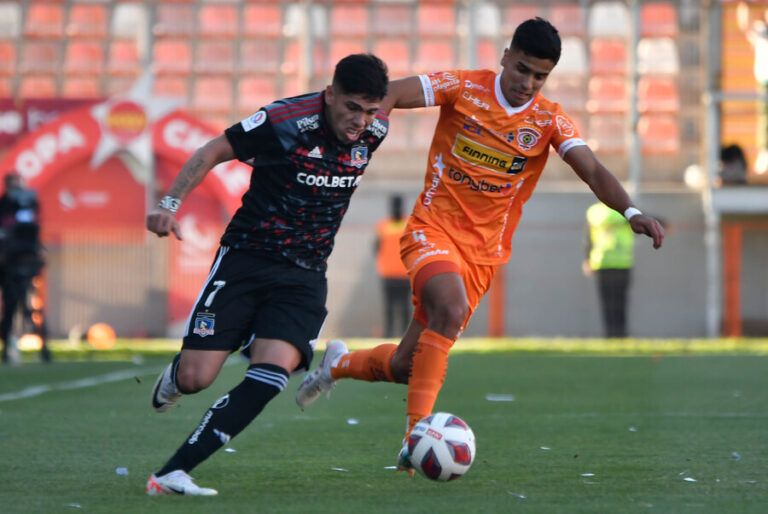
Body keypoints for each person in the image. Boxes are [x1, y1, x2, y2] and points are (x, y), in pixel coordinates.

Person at [295, 18, 665, 475]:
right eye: (522, 69)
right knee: (448, 310)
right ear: (506, 55)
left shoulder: (547, 119)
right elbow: (391, 92)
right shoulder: (464, 88)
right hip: (432, 229)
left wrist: (631, 212)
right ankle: (417, 437)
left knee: (407, 365)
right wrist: (368, 130)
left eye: (539, 76)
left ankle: (339, 363)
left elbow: (591, 169)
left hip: (483, 255)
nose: (527, 83)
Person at [144, 54, 390, 496]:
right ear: (330, 94)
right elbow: (214, 149)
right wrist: (169, 204)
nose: (361, 122)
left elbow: (406, 96)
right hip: (246, 260)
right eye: (352, 107)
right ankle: (178, 374)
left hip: (306, 272)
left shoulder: (375, 129)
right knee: (197, 378)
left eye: (371, 111)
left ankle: (171, 473)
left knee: (272, 372)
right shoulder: (284, 120)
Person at [0, 172, 50, 364]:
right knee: (10, 306)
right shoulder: (4, 205)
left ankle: (43, 347)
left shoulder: (28, 204)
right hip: (8, 267)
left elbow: (33, 225)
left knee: (31, 308)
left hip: (24, 262)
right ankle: (7, 347)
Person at [582, 201, 635, 338]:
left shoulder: (594, 212)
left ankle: (610, 335)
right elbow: (643, 219)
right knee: (620, 302)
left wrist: (587, 259)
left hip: (601, 262)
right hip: (622, 262)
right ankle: (620, 335)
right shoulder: (625, 209)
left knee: (607, 303)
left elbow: (588, 238)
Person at [737, 1, 768, 174]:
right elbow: (745, 24)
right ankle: (765, 155)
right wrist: (745, 4)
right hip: (765, 80)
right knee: (765, 119)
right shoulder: (760, 29)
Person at [375, 194, 411, 338]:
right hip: (390, 273)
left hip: (403, 274)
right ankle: (389, 335)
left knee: (403, 306)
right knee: (391, 307)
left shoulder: (406, 225)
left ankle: (403, 334)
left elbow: (376, 248)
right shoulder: (384, 226)